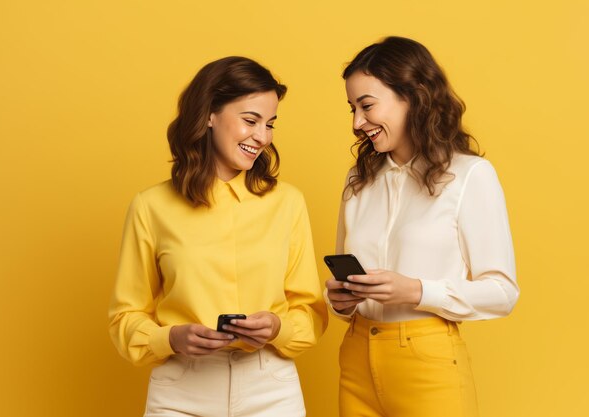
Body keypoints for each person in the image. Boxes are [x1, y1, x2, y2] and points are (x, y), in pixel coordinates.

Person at [109, 56, 328, 417]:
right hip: (180, 389)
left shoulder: (288, 202)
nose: (262, 136)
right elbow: (125, 316)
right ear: (209, 114)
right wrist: (171, 338)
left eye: (270, 124)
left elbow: (310, 311)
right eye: (250, 120)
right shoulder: (151, 206)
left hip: (270, 387)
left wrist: (276, 328)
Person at [325, 36, 520, 417]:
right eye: (351, 108)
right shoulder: (358, 180)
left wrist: (416, 291)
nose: (357, 123)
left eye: (366, 106)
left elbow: (503, 292)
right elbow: (342, 280)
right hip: (355, 360)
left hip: (428, 364)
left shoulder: (469, 175)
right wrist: (342, 301)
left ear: (413, 95)